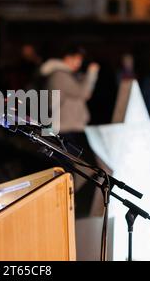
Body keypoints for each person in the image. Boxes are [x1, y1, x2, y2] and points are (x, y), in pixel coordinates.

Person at [40, 45, 100, 217]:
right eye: (76, 59)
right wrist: (92, 73)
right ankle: (70, 208)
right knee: (80, 170)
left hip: (70, 129)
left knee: (80, 170)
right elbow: (83, 92)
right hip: (66, 130)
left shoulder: (63, 75)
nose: (78, 64)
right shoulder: (59, 75)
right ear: (66, 57)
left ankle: (71, 207)